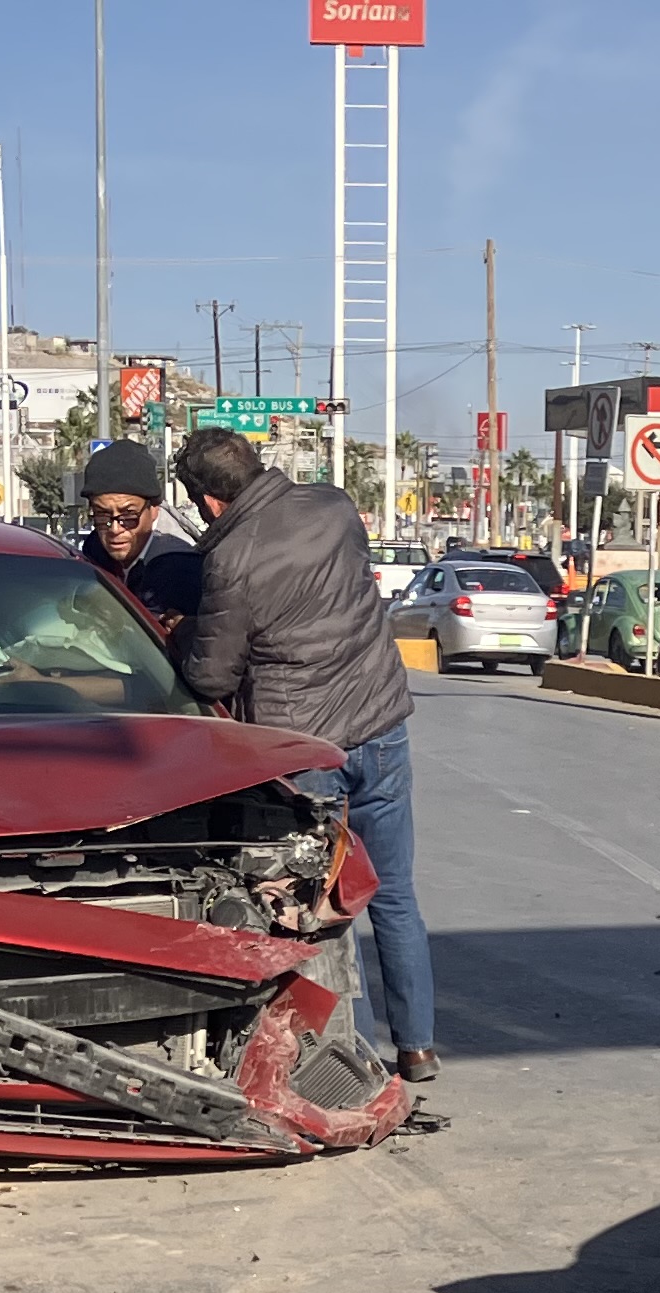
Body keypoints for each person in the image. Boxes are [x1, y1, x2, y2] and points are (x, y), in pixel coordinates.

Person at [174, 423, 437, 1084]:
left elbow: (211, 676)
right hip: (381, 729)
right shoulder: (334, 506)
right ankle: (418, 1046)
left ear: (208, 500)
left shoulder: (230, 560)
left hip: (306, 752)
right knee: (396, 897)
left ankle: (343, 1053)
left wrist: (182, 639)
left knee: (317, 912)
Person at [74, 442, 202, 646]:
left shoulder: (179, 568)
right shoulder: (94, 549)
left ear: (154, 510)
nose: (115, 529)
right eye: (101, 515)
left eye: (128, 516)